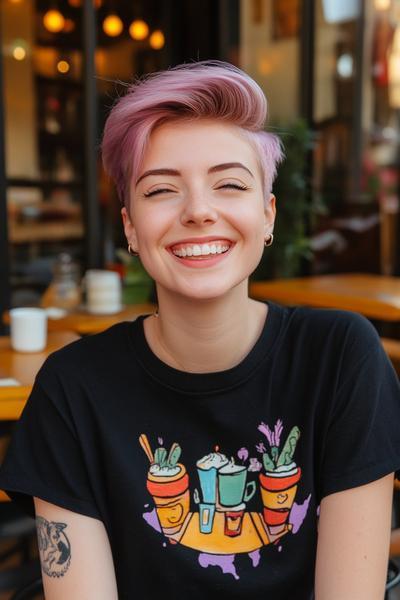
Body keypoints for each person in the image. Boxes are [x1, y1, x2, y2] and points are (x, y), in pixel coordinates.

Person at [1, 60, 400, 600]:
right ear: (131, 229)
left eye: (230, 184)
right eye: (162, 190)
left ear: (268, 214)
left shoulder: (339, 358)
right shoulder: (73, 389)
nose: (198, 211)